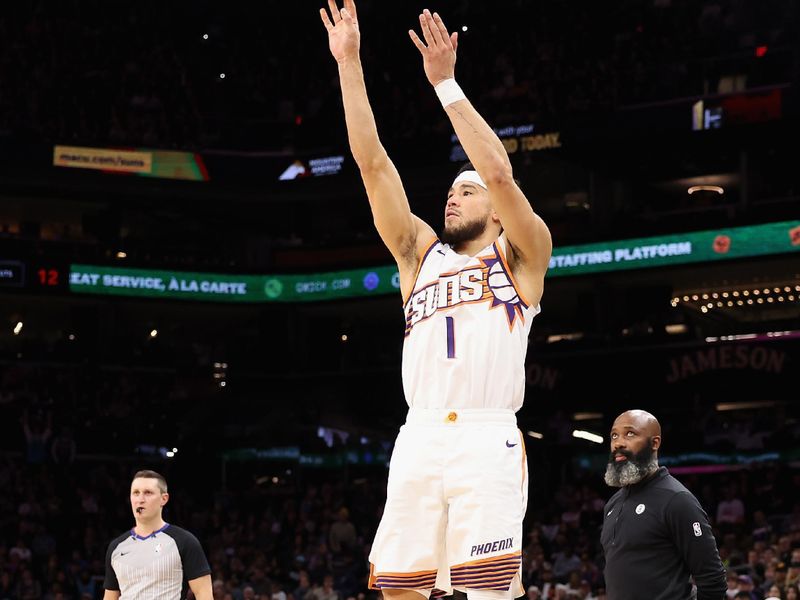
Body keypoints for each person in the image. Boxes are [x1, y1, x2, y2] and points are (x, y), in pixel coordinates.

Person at [320, 2, 552, 600]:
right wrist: (350, 63)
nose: (453, 198)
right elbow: (371, 164)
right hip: (418, 433)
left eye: (465, 191)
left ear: (498, 214)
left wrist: (445, 84)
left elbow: (499, 173)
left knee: (486, 592)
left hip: (486, 434)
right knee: (399, 588)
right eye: (450, 191)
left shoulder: (523, 255)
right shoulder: (418, 254)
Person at [600, 410, 726, 600]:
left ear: (655, 443)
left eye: (630, 434)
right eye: (614, 436)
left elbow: (712, 578)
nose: (618, 443)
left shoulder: (677, 499)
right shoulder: (613, 503)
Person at [103, 470, 212, 600]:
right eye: (136, 493)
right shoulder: (116, 547)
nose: (140, 499)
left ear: (164, 499)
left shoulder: (185, 541)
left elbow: (204, 594)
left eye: (148, 493)